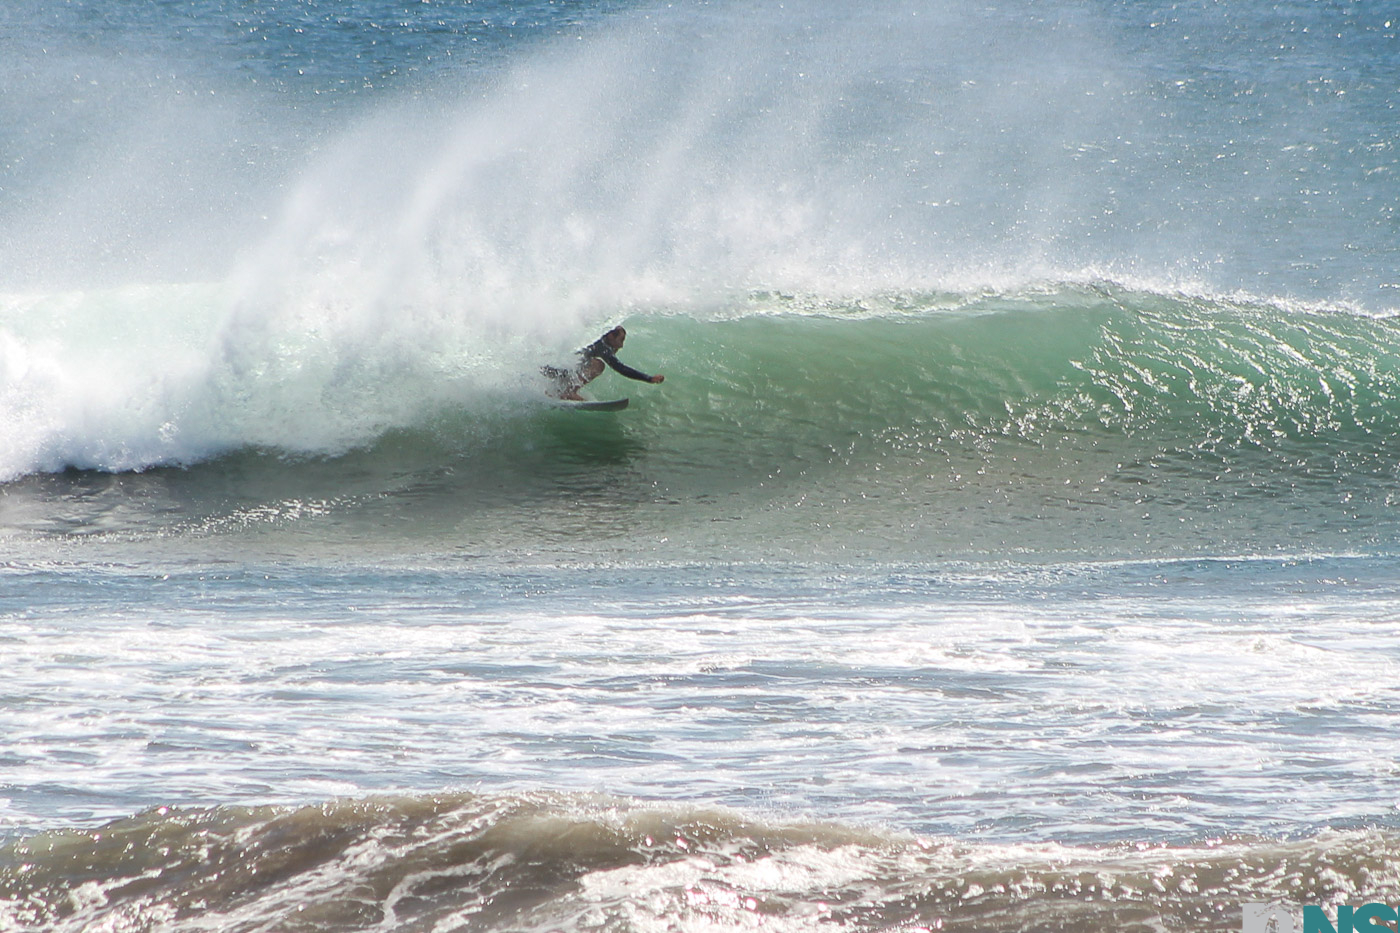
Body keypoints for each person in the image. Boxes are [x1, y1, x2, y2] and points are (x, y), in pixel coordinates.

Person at [543, 326, 665, 401]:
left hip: (553, 368)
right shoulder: (602, 346)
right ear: (611, 336)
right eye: (621, 340)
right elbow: (621, 368)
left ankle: (554, 392)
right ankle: (569, 392)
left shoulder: (595, 340)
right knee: (598, 365)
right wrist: (648, 378)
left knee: (579, 365)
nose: (621, 345)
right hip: (559, 370)